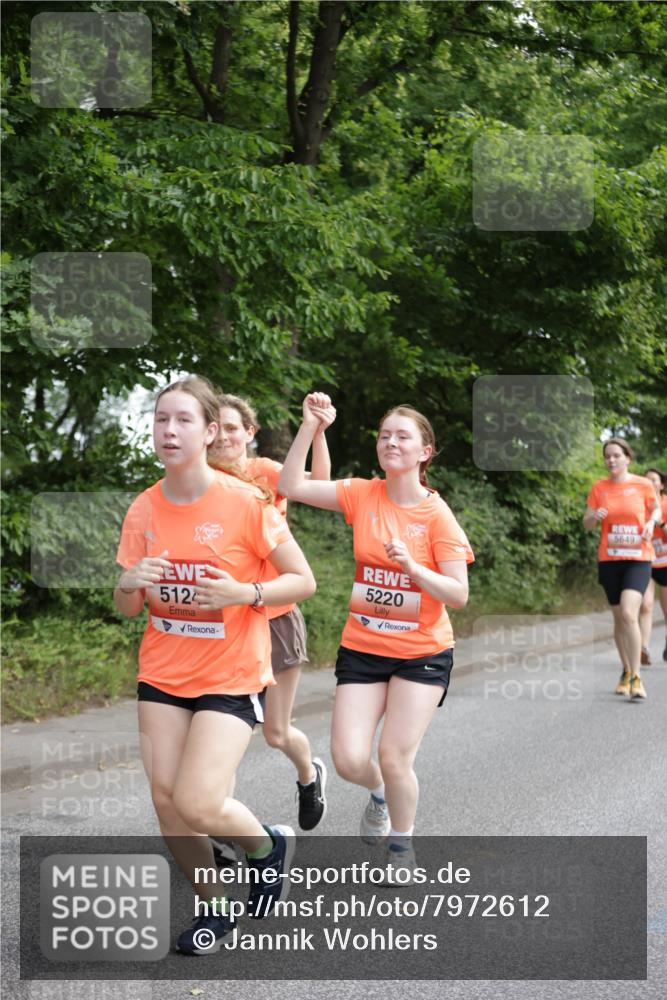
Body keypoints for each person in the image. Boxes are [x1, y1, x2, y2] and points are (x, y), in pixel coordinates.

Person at [115, 376, 316, 955]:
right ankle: (216, 907)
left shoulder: (245, 503)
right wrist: (128, 584)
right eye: (160, 420)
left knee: (198, 801)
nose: (169, 430)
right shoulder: (144, 507)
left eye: (182, 420)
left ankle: (265, 848)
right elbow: (129, 607)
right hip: (162, 672)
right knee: (165, 799)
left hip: (230, 674)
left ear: (209, 433)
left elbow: (301, 580)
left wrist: (244, 594)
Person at [279, 394, 474, 875]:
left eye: (402, 436)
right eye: (385, 435)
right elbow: (291, 485)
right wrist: (310, 428)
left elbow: (458, 593)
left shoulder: (436, 516)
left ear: (424, 451)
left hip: (422, 653)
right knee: (347, 760)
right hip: (363, 648)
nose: (390, 442)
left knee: (393, 754)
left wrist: (412, 568)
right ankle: (380, 794)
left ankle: (402, 848)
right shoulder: (363, 493)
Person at [208, 392, 333, 831]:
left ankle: (309, 774)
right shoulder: (201, 479)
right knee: (226, 734)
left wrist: (314, 431)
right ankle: (219, 826)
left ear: (249, 433)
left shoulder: (264, 472)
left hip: (275, 617)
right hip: (228, 623)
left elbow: (314, 484)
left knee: (276, 733)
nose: (223, 436)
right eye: (215, 427)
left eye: (231, 427)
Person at [583, 439, 660, 700]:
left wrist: (651, 522)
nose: (611, 460)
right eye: (607, 457)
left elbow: (656, 508)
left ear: (628, 457)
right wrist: (595, 517)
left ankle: (637, 677)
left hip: (638, 559)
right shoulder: (599, 488)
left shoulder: (643, 484)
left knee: (629, 613)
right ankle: (626, 670)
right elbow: (587, 524)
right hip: (609, 560)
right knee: (619, 618)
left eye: (617, 455)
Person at [638, 468, 667, 664]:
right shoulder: (639, 505)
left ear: (661, 484)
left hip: (665, 562)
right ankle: (644, 648)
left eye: (654, 480)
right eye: (646, 480)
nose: (650, 483)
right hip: (646, 560)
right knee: (646, 605)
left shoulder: (665, 504)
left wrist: (660, 523)